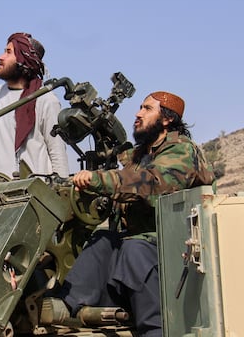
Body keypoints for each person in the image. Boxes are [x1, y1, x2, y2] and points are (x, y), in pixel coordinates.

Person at [42, 91, 215, 337]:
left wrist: (99, 180)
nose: (138, 113)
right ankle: (67, 307)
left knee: (134, 249)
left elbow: (152, 183)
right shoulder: (140, 156)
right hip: (142, 245)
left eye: (146, 109)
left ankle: (155, 329)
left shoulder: (181, 151)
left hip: (177, 246)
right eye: (139, 108)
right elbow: (121, 185)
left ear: (166, 119)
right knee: (103, 242)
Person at [0, 32, 69, 179]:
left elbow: (57, 151)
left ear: (24, 60)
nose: (1, 57)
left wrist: (62, 190)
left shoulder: (45, 99)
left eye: (8, 52)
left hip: (31, 193)